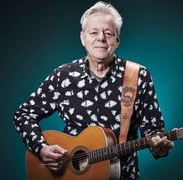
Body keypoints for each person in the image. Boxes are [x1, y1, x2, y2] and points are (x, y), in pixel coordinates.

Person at [13, 1, 174, 179]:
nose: (101, 38)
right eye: (94, 32)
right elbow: (24, 114)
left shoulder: (138, 75)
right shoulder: (63, 76)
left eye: (108, 33)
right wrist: (42, 148)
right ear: (83, 38)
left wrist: (159, 147)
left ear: (117, 40)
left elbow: (154, 133)